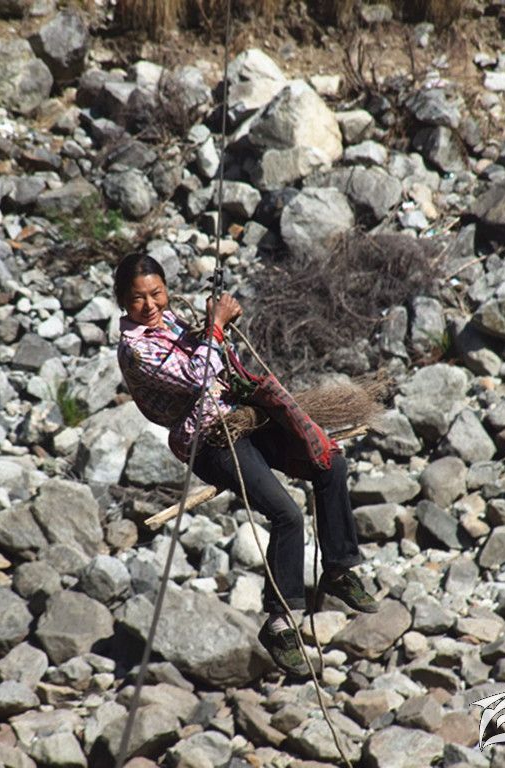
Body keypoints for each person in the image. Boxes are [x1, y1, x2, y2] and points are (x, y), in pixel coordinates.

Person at [114, 252, 378, 676]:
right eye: (138, 299)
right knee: (286, 514)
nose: (150, 305)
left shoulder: (173, 323)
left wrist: (214, 328)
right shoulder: (135, 349)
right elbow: (197, 377)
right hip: (208, 438)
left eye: (156, 293)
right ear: (123, 303)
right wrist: (216, 327)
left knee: (330, 463)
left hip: (242, 417)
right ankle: (279, 623)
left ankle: (339, 566)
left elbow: (219, 361)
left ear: (165, 289)